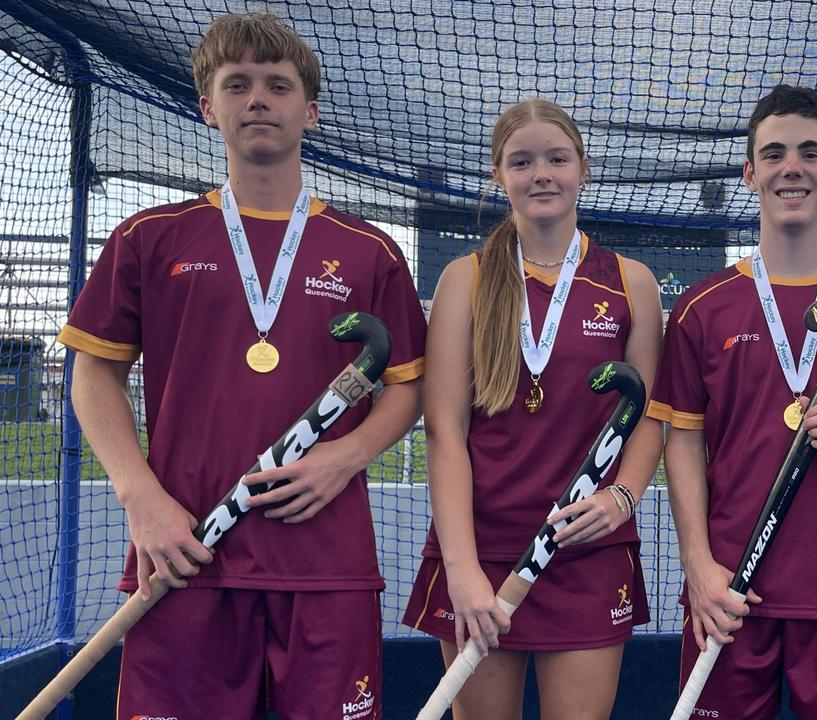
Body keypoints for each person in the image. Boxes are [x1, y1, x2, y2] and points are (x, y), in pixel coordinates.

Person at [58, 13, 426, 719]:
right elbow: (93, 374)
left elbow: (407, 389)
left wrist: (346, 455)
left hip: (325, 563)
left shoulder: (368, 250)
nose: (258, 98)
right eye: (238, 84)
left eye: (278, 85)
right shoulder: (149, 238)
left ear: (309, 111)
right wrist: (140, 499)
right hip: (185, 550)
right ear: (208, 107)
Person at [648, 84, 817, 720]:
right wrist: (698, 568)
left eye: (809, 151)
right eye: (773, 154)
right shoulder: (701, 306)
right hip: (729, 589)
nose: (791, 167)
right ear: (750, 174)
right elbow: (683, 440)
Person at [401, 98, 664, 720]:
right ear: (499, 176)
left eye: (556, 158)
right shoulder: (465, 277)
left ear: (584, 168)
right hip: (480, 551)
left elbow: (651, 415)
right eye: (521, 161)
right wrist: (462, 570)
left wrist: (622, 495)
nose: (540, 173)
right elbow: (445, 427)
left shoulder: (633, 282)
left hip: (587, 552)